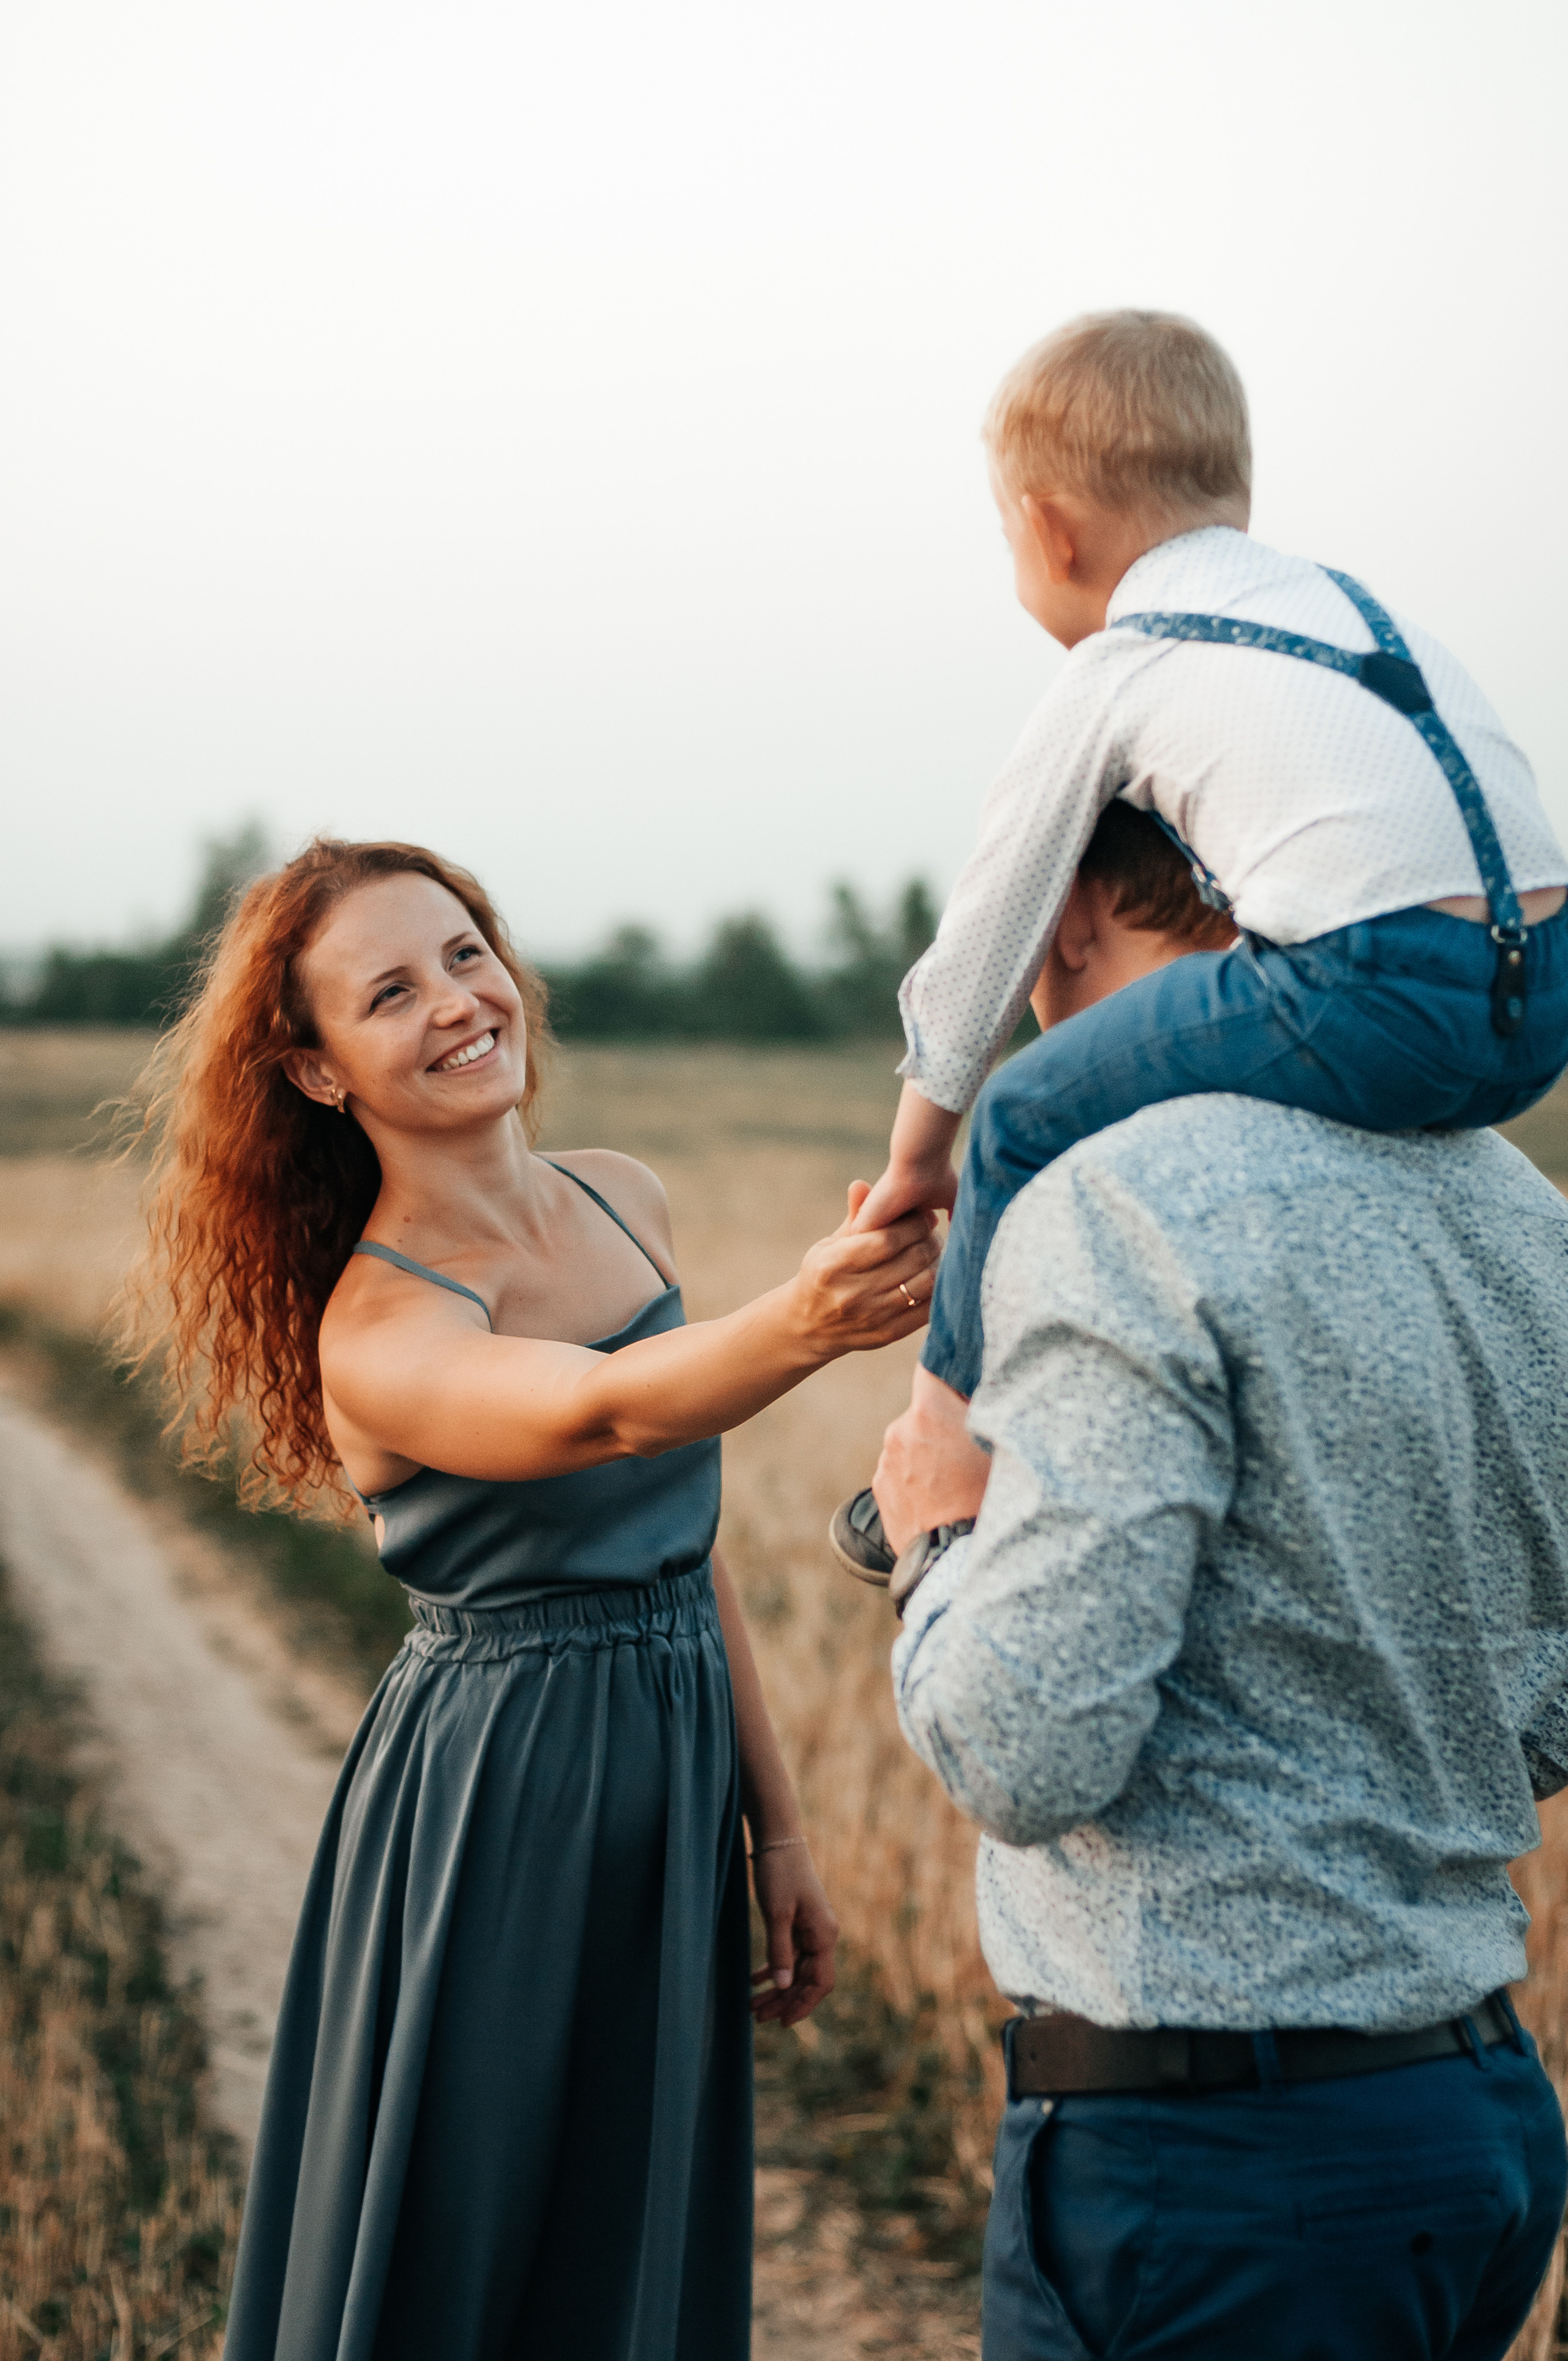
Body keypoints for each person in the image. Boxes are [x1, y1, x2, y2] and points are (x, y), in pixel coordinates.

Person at [122, 836, 938, 2361]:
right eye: (388, 991)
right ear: (313, 1071)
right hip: (502, 1793)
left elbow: (678, 1541)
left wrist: (782, 1827)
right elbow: (605, 1413)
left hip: (673, 1759)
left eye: (463, 951)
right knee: (477, 2239)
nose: (454, 1000)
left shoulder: (624, 1199)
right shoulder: (373, 1323)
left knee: (627, 2233)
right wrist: (814, 1315)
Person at [868, 810, 1568, 2359]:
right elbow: (1552, 1705)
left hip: (1216, 2170)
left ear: (1052, 927)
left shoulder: (1112, 1201)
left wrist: (933, 1546)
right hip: (1476, 2132)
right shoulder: (1512, 1204)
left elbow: (1023, 1750)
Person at [851, 306, 1568, 1426]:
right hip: (1543, 1000)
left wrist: (919, 1155)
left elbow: (993, 923)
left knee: (1024, 1111)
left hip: (1374, 980)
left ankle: (945, 1447)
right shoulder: (1354, 608)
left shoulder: (1125, 662)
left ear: (1050, 533)